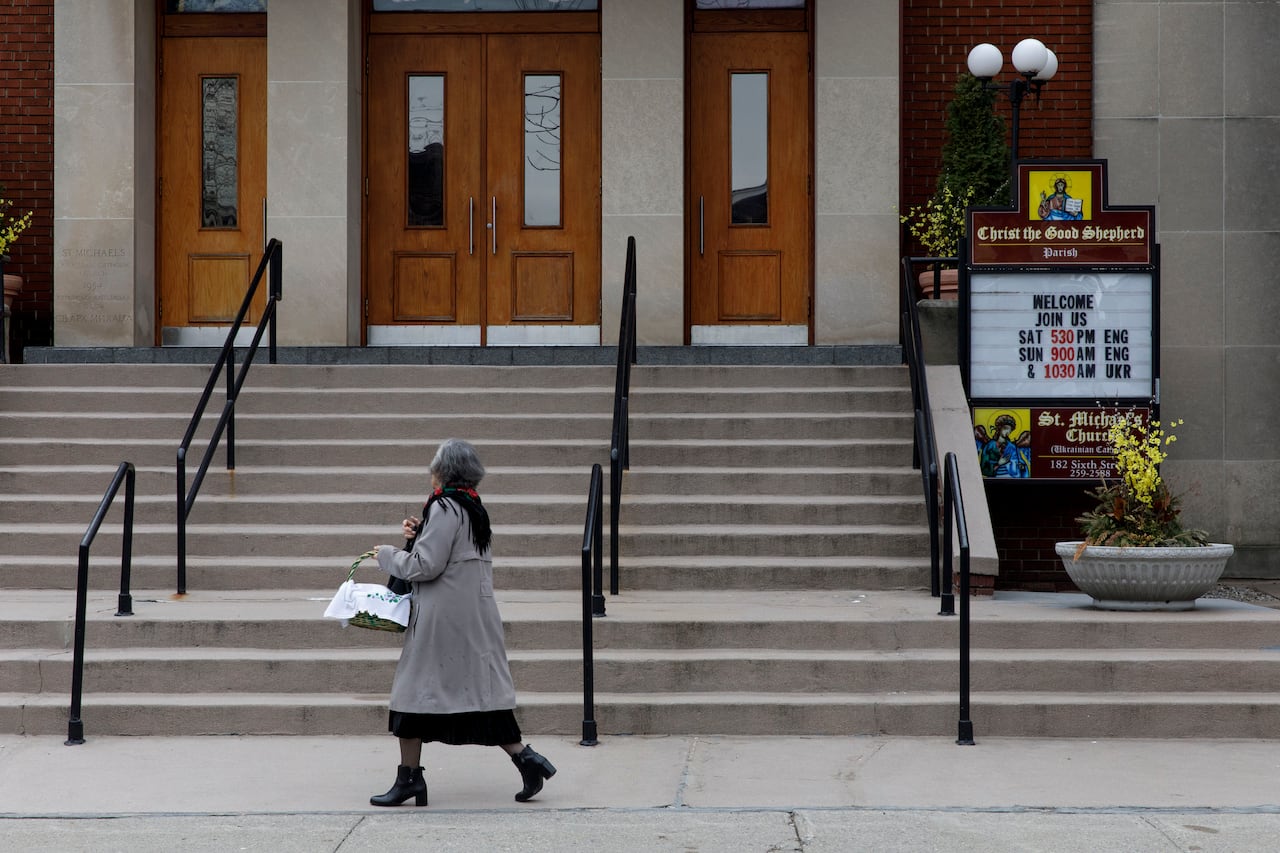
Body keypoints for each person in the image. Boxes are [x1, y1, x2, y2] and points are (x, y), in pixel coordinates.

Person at [368, 438, 555, 807]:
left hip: (442, 622)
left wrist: (387, 555)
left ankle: (409, 781)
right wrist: (421, 533)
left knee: (412, 695)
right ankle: (528, 760)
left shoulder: (444, 505)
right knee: (480, 698)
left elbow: (426, 566)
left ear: (443, 470)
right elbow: (452, 554)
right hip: (471, 617)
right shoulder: (472, 506)